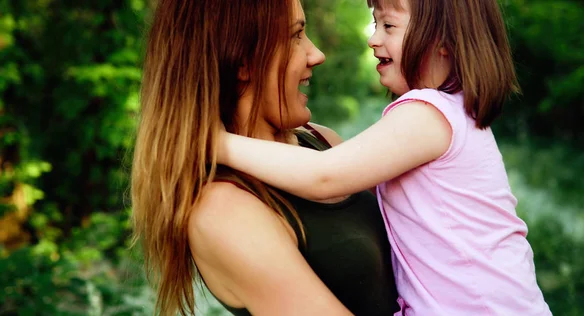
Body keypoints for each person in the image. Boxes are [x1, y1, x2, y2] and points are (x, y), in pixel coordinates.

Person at [217, 0, 552, 315]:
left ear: (444, 41)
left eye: (388, 25)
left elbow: (323, 175)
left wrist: (218, 143)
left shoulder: (428, 115)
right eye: (375, 23)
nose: (373, 39)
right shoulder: (451, 114)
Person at [130, 0, 399, 315]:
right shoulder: (224, 210)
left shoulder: (321, 142)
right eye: (295, 36)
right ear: (242, 61)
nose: (317, 54)